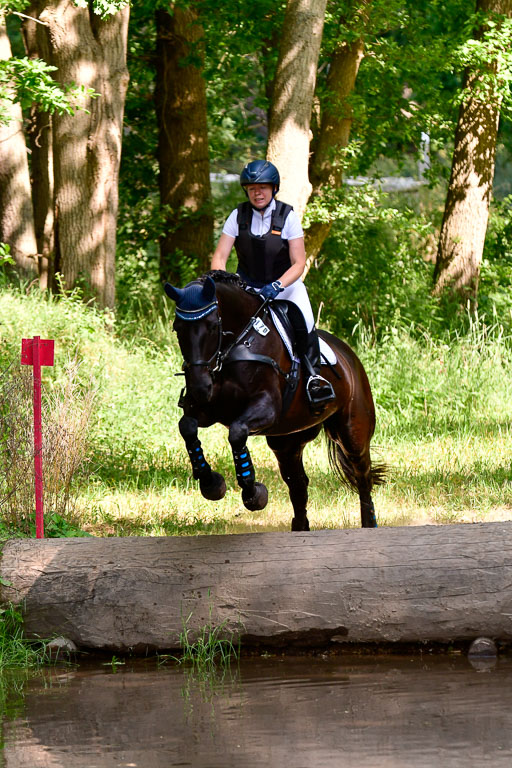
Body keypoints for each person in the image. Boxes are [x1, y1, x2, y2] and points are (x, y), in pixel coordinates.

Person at [211, 159, 335, 409]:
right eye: (252, 188)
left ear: (273, 189)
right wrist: (223, 285)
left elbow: (298, 263)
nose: (257, 193)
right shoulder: (237, 216)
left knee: (305, 320)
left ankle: (313, 377)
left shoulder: (287, 216)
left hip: (285, 286)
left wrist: (277, 286)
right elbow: (219, 258)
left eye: (263, 188)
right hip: (247, 288)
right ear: (246, 190)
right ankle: (210, 374)